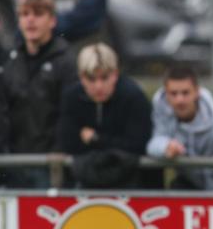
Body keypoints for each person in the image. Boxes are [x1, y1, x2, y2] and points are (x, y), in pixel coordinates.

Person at [0, 0, 78, 188]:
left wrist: (58, 150)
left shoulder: (66, 62)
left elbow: (69, 114)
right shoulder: (10, 62)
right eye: (25, 14)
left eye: (38, 14)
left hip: (50, 165)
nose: (30, 20)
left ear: (52, 21)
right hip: (13, 163)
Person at [58, 43, 152, 188]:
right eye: (91, 79)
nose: (99, 86)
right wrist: (111, 143)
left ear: (115, 74)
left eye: (104, 78)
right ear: (81, 77)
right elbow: (68, 143)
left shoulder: (133, 97)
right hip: (84, 180)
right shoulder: (72, 97)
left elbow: (137, 145)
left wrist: (96, 139)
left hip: (130, 182)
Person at [147, 66, 213, 191]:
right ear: (166, 94)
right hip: (188, 183)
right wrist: (166, 146)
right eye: (173, 93)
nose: (179, 100)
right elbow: (154, 142)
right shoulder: (161, 110)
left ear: (197, 92)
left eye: (185, 93)